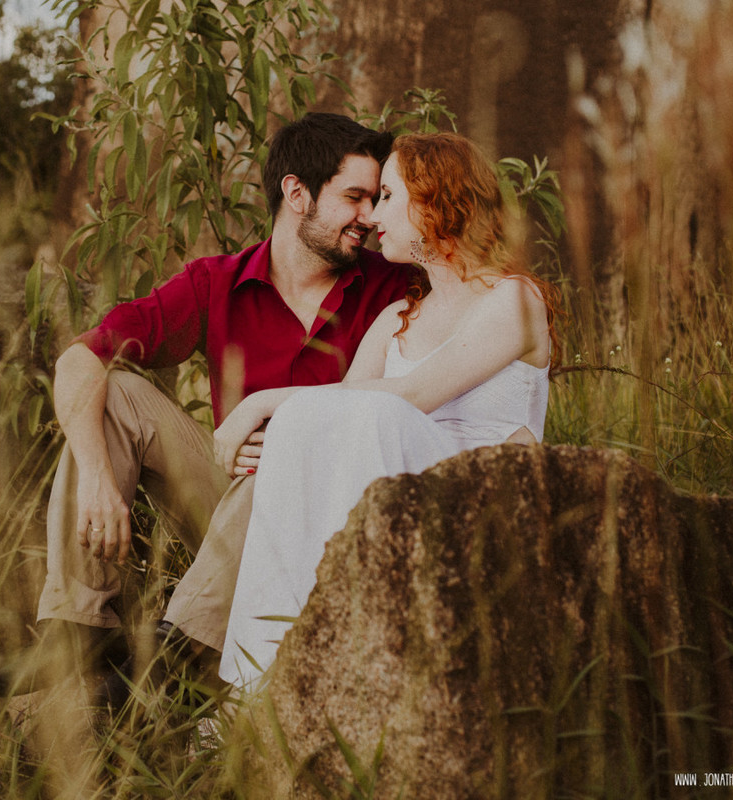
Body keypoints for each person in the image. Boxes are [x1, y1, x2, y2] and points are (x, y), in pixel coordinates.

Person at [0, 113, 414, 698]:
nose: (369, 216)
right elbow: (79, 361)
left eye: (376, 198)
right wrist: (95, 476)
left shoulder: (392, 286)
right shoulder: (218, 282)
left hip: (330, 518)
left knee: (285, 453)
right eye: (355, 197)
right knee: (118, 395)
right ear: (297, 194)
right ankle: (77, 629)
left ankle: (173, 653)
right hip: (229, 509)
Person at [215, 132, 562, 690]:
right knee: (306, 426)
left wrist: (259, 401)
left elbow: (411, 398)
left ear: (433, 200)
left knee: (374, 415)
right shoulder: (398, 317)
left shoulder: (515, 300)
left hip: (483, 505)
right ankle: (255, 684)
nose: (374, 216)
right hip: (396, 502)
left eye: (388, 197)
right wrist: (282, 429)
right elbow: (334, 414)